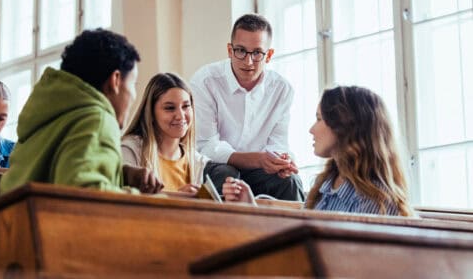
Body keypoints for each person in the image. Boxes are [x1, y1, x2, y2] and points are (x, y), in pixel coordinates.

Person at [0, 29, 163, 195]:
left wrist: (122, 174)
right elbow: (83, 197)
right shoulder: (97, 119)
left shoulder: (51, 113)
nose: (134, 95)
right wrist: (148, 200)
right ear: (115, 80)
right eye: (133, 83)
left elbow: (52, 173)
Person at [223, 86, 414, 217]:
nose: (311, 129)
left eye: (319, 119)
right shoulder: (325, 185)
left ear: (344, 126)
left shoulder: (375, 201)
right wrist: (250, 206)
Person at [190, 13, 304, 201]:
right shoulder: (205, 81)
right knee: (227, 174)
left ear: (269, 55)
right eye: (241, 51)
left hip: (259, 171)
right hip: (215, 167)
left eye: (257, 53)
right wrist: (260, 159)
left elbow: (278, 143)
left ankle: (298, 231)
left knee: (290, 181)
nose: (248, 61)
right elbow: (207, 146)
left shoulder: (282, 89)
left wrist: (280, 162)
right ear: (229, 50)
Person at [122, 73, 239, 194]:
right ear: (151, 113)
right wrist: (177, 198)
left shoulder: (196, 161)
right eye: (170, 108)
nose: (180, 116)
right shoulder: (130, 150)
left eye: (186, 106)